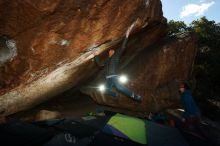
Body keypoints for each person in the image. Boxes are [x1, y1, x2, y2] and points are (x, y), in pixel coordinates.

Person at [93, 24, 142, 101]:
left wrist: (126, 36)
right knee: (105, 90)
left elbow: (123, 47)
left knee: (119, 87)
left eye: (113, 50)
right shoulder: (107, 60)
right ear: (109, 53)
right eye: (110, 50)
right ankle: (116, 95)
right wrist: (96, 55)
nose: (111, 50)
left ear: (114, 52)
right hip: (108, 79)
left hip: (114, 76)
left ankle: (134, 96)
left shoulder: (116, 56)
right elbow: (100, 64)